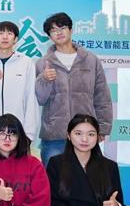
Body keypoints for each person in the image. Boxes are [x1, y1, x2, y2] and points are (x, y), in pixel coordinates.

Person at [35, 12, 113, 166]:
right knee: (53, 179)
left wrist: (103, 128)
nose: (58, 33)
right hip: (55, 135)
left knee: (88, 177)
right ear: (49, 36)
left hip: (85, 132)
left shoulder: (91, 60)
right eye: (53, 30)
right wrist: (44, 79)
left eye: (62, 28)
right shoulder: (43, 63)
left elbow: (102, 96)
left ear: (71, 30)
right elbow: (40, 99)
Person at [0, 21, 40, 148]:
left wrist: (29, 134)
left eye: (9, 33)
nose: (5, 37)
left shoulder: (26, 63)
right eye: (1, 33)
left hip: (18, 132)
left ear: (15, 39)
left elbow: (31, 99)